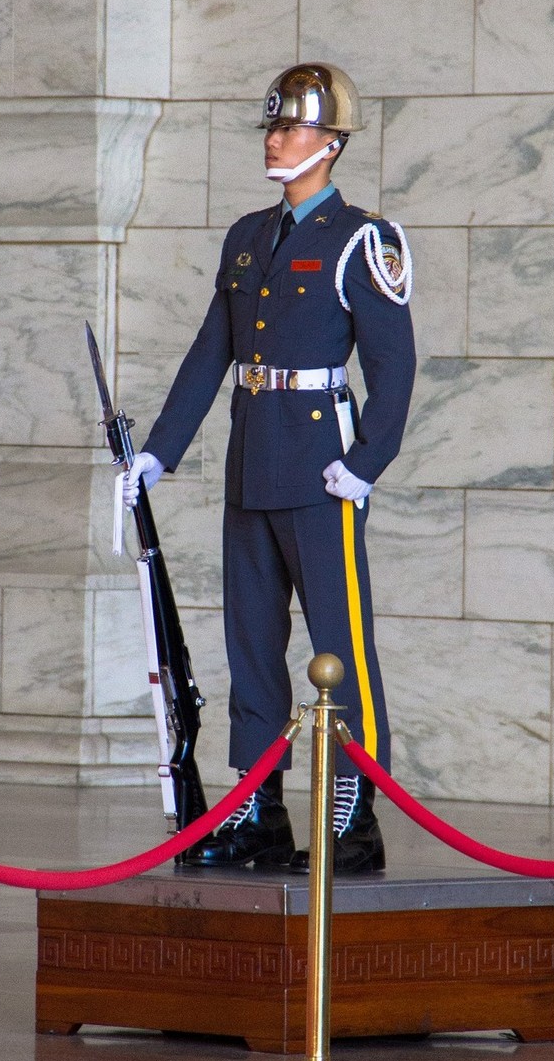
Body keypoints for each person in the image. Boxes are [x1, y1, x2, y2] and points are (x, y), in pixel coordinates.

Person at [124, 63, 415, 873]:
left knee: (340, 645)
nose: (275, 138)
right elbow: (211, 351)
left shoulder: (362, 240)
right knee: (251, 642)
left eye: (289, 128)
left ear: (331, 144)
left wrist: (366, 464)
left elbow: (394, 367)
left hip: (323, 472)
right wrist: (159, 450)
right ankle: (258, 809)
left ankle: (351, 816)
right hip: (253, 459)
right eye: (271, 127)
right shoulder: (248, 238)